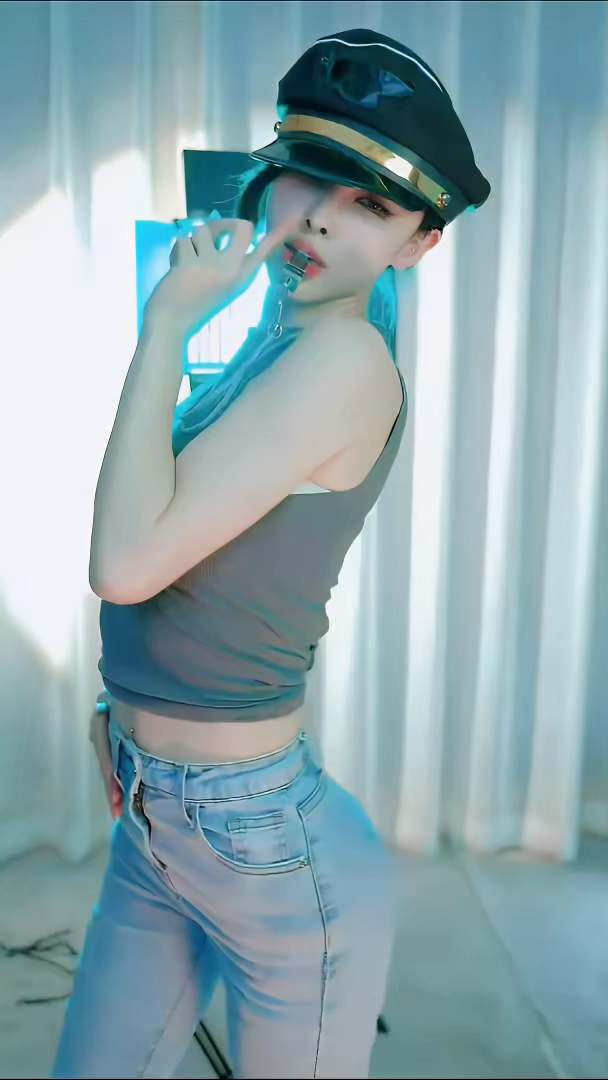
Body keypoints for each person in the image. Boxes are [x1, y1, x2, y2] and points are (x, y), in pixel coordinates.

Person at [52, 28, 489, 1080]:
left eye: (371, 207)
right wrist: (127, 701)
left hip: (260, 842)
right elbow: (187, 558)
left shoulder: (344, 358)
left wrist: (165, 327)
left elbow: (123, 564)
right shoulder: (277, 338)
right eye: (308, 176)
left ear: (418, 245)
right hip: (161, 815)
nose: (322, 217)